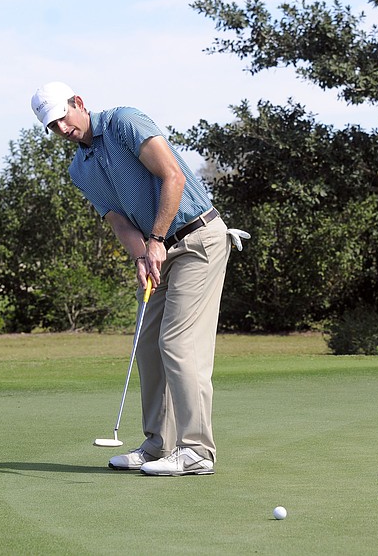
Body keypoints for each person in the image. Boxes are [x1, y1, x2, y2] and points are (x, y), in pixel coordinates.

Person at [31, 81, 233, 476]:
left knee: (178, 343)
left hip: (197, 239)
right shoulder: (79, 169)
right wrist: (142, 255)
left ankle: (197, 451)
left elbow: (172, 176)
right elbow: (118, 221)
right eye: (52, 126)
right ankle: (159, 446)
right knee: (148, 345)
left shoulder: (124, 122)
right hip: (159, 251)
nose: (62, 129)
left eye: (63, 117)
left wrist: (155, 239)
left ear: (78, 102)